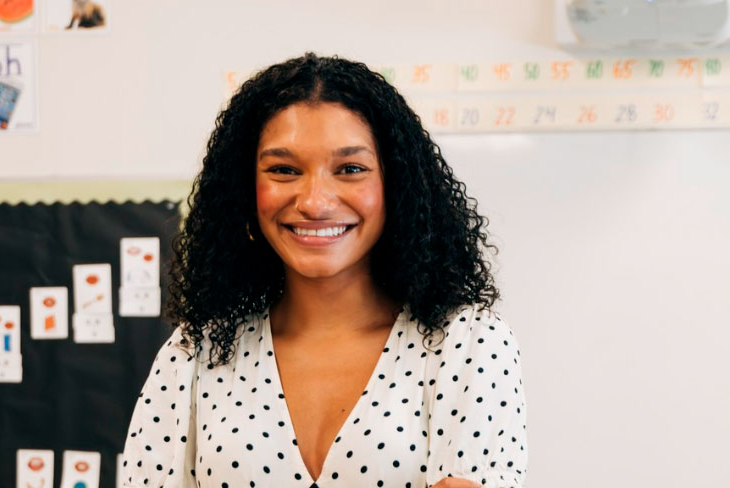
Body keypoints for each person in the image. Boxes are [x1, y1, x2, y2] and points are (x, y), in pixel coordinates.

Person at [119, 53, 528, 488]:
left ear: (397, 185)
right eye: (283, 170)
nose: (315, 202)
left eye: (350, 169)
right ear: (244, 188)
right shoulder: (195, 352)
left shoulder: (466, 343)